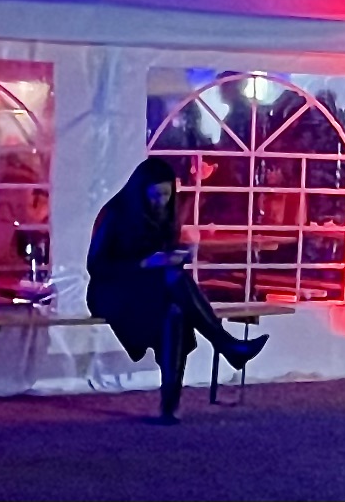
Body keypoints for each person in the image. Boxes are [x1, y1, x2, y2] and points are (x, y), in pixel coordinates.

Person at [84, 157, 266, 424]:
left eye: (166, 195)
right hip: (112, 290)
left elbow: (164, 252)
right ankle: (225, 344)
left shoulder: (166, 213)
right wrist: (144, 263)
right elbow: (96, 266)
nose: (161, 201)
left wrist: (176, 255)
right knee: (174, 283)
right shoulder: (116, 212)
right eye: (155, 195)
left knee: (175, 311)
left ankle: (170, 404)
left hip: (152, 286)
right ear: (141, 191)